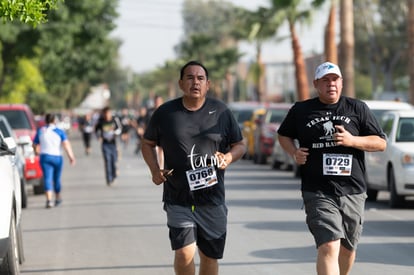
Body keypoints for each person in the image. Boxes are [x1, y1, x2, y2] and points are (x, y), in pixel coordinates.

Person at [277, 61, 387, 275]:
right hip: (317, 190)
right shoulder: (301, 110)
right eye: (325, 80)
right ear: (316, 84)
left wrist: (352, 140)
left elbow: (380, 143)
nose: (331, 84)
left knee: (347, 249)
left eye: (334, 79)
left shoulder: (357, 108)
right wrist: (294, 153)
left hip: (353, 190)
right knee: (329, 245)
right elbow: (283, 135)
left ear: (342, 83)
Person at [141, 60, 246, 275]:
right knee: (184, 253)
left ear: (208, 84)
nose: (195, 82)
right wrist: (154, 170)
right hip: (177, 197)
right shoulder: (166, 113)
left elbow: (240, 145)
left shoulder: (221, 112)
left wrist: (228, 157)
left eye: (200, 78)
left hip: (212, 198)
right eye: (190, 78)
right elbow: (147, 143)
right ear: (181, 83)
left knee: (209, 257)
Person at [33, 113, 76, 208]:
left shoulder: (41, 131)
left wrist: (36, 152)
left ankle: (49, 200)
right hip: (57, 157)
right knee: (57, 178)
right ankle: (57, 197)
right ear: (54, 121)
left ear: (45, 121)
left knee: (47, 178)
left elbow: (35, 144)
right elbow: (66, 144)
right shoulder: (59, 131)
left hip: (44, 157)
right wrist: (71, 157)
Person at [95, 106, 122, 186]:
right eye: (105, 114)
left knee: (113, 161)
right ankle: (109, 179)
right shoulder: (101, 121)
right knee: (107, 160)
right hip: (105, 143)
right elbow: (96, 130)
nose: (107, 115)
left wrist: (115, 132)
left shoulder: (114, 120)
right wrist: (99, 137)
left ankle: (113, 175)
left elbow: (120, 129)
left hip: (113, 143)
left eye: (108, 113)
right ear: (103, 114)